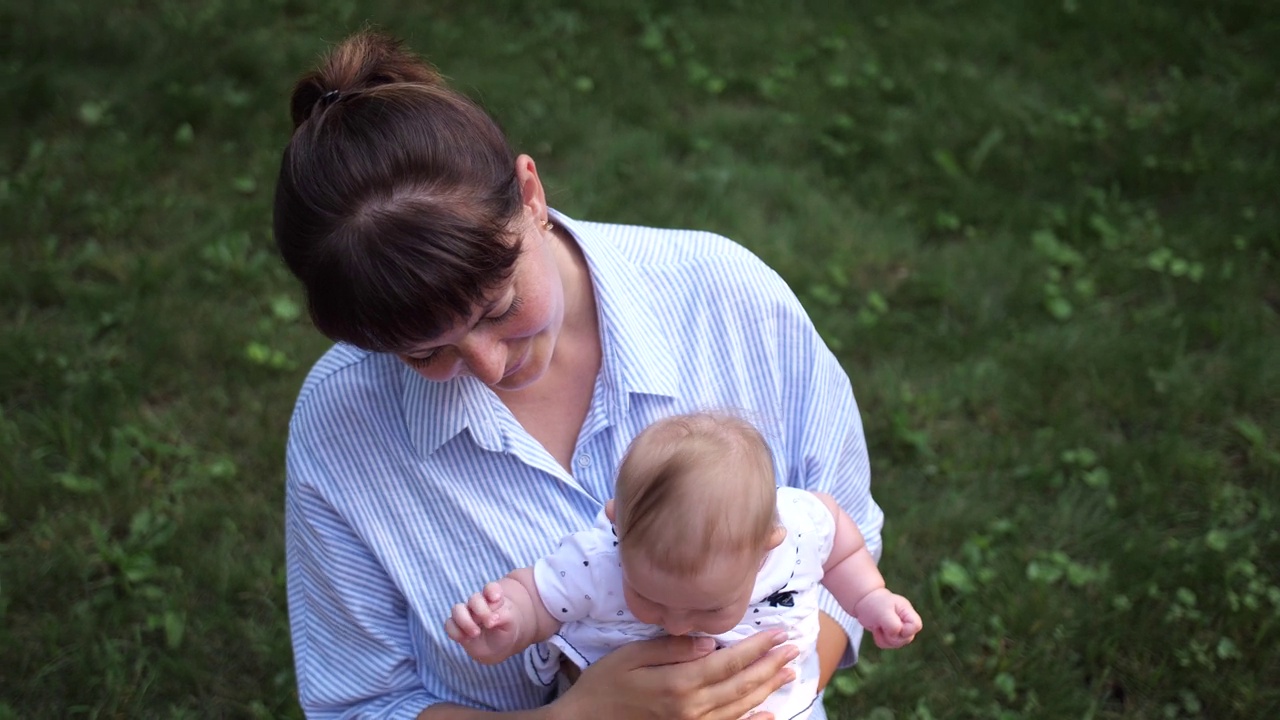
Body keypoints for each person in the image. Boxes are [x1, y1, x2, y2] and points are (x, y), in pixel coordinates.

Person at [275, 29, 892, 720]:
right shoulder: (341, 429)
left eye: (500, 307)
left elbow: (845, 537)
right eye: (424, 352)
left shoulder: (726, 297)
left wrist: (773, 695)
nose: (487, 367)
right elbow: (364, 703)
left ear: (530, 195)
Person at [446, 412, 922, 720]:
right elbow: (537, 596)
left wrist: (869, 597)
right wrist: (504, 623)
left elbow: (838, 542)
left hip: (779, 707)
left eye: (708, 608)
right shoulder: (602, 559)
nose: (674, 623)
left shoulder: (796, 530)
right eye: (649, 597)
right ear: (618, 527)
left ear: (765, 549)